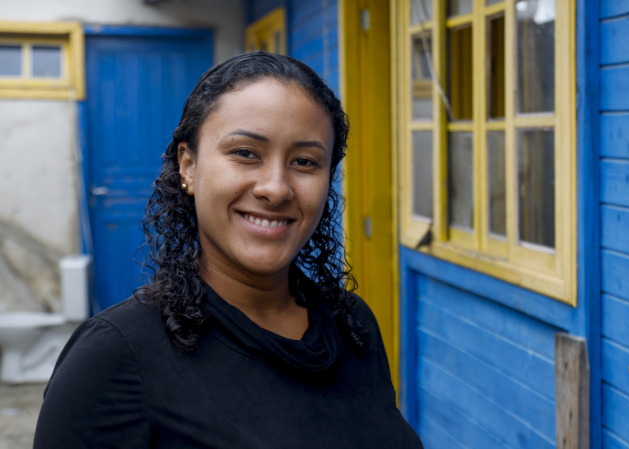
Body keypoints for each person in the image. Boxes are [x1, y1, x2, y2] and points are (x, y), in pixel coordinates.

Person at [33, 52, 423, 449]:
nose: (275, 188)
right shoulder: (115, 359)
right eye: (245, 153)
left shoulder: (352, 325)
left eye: (304, 161)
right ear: (188, 165)